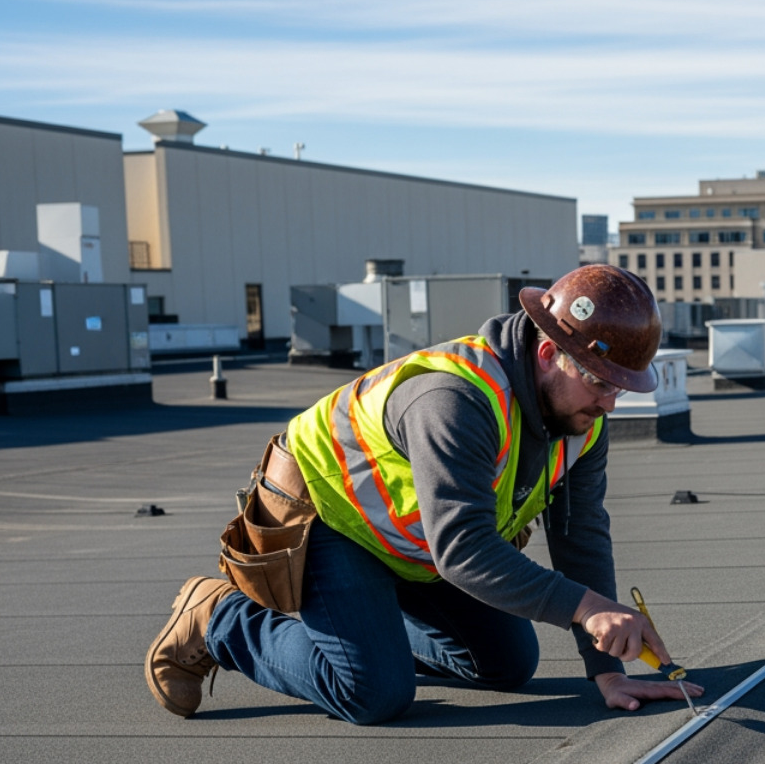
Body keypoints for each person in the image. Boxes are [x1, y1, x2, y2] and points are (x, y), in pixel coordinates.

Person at [143, 264, 701, 724]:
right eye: (600, 381)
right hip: (330, 522)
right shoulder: (455, 399)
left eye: (620, 387)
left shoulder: (583, 421)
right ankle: (221, 619)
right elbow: (463, 550)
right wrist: (587, 608)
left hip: (414, 545)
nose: (609, 404)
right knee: (373, 694)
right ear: (548, 351)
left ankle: (367, 630)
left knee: (506, 666)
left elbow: (581, 535)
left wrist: (605, 670)